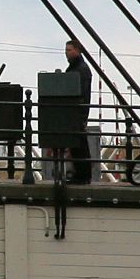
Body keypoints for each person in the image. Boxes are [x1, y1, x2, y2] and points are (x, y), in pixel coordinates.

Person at [53, 38, 95, 183]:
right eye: (66, 51)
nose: (67, 53)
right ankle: (82, 175)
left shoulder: (80, 69)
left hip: (77, 112)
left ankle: (83, 176)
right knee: (78, 144)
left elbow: (79, 91)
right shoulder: (78, 68)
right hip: (76, 112)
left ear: (78, 50)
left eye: (69, 50)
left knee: (79, 145)